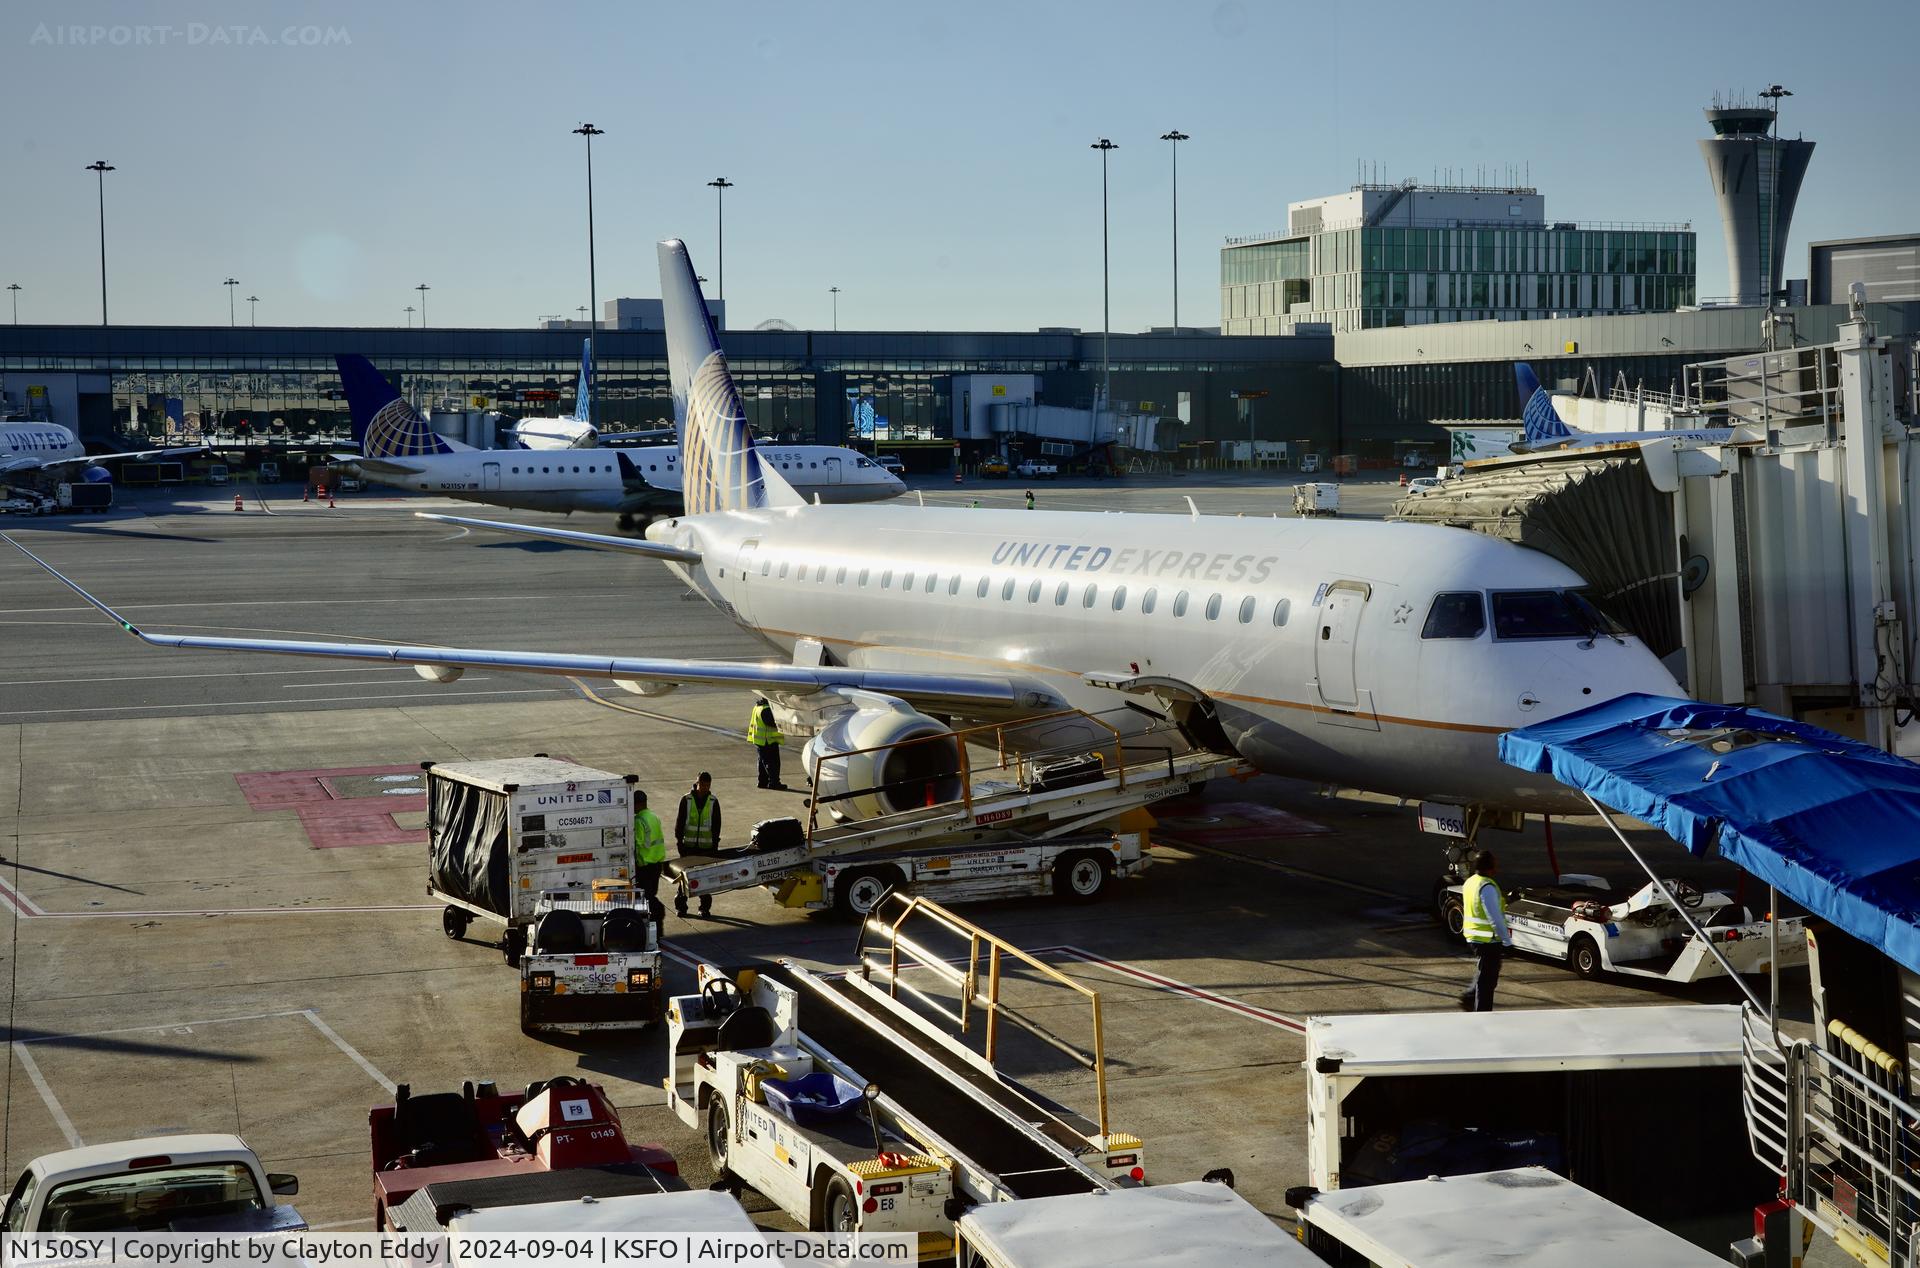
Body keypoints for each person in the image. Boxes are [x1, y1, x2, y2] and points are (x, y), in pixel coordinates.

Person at [1458, 849, 1512, 1011]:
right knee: (1488, 981)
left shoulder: (1471, 881)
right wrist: (1507, 941)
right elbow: (1494, 917)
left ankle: (1469, 997)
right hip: (1487, 940)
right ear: (1490, 867)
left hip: (1473, 936)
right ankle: (1483, 1014)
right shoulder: (1487, 887)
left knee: (1486, 972)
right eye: (1495, 864)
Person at [673, 772, 721, 917]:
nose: (705, 788)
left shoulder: (713, 801)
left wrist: (714, 845)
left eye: (707, 785)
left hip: (706, 848)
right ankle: (681, 907)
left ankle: (704, 908)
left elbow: (717, 825)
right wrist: (679, 842)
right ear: (697, 783)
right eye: (702, 784)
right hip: (688, 847)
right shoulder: (686, 800)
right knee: (684, 879)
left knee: (705, 879)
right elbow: (679, 823)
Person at [632, 789, 667, 903]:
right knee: (652, 894)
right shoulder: (654, 816)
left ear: (638, 804)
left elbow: (638, 844)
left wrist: (636, 863)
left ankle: (650, 919)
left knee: (643, 898)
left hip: (645, 866)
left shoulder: (638, 820)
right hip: (657, 863)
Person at [748, 696, 785, 789]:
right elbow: (772, 723)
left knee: (762, 762)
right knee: (772, 763)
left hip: (760, 740)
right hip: (768, 740)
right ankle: (774, 782)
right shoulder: (767, 710)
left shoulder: (758, 707)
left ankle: (762, 781)